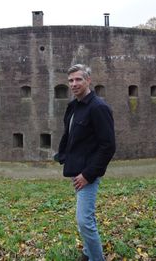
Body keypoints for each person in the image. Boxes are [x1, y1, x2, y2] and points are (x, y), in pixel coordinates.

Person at [57, 64, 116, 261]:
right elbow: (70, 133)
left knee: (84, 221)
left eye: (78, 79)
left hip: (87, 174)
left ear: (88, 80)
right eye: (71, 80)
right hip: (76, 170)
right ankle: (89, 252)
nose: (74, 84)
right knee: (86, 218)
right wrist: (63, 155)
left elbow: (108, 146)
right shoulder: (74, 105)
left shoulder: (98, 108)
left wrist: (88, 175)